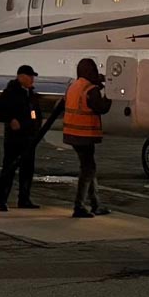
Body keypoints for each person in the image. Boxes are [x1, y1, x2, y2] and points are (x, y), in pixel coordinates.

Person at [62, 58, 113, 218]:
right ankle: (80, 206)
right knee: (87, 170)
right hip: (84, 135)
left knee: (89, 168)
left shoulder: (73, 86)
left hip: (72, 133)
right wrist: (110, 94)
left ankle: (95, 204)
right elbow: (101, 108)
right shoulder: (90, 90)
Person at [0, 64, 43, 211]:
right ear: (21, 77)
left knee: (27, 170)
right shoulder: (10, 93)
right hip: (14, 139)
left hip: (29, 139)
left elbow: (35, 113)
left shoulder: (31, 95)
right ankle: (2, 200)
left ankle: (24, 199)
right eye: (30, 76)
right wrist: (11, 120)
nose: (32, 79)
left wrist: (36, 127)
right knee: (9, 169)